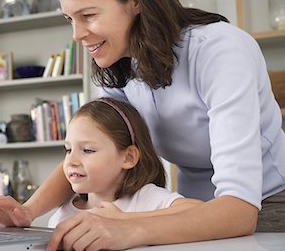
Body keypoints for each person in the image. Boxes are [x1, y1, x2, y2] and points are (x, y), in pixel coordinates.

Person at [0, 0, 285, 251]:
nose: (77, 34)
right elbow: (92, 150)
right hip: (194, 209)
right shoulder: (120, 66)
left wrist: (128, 228)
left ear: (135, 0)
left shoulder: (219, 52)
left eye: (88, 15)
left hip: (269, 204)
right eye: (69, 19)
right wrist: (28, 210)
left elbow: (239, 211)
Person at [47, 97, 201, 227]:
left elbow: (199, 212)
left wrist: (123, 220)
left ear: (128, 158)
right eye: (68, 150)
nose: (71, 161)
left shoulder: (146, 200)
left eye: (87, 150)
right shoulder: (61, 217)